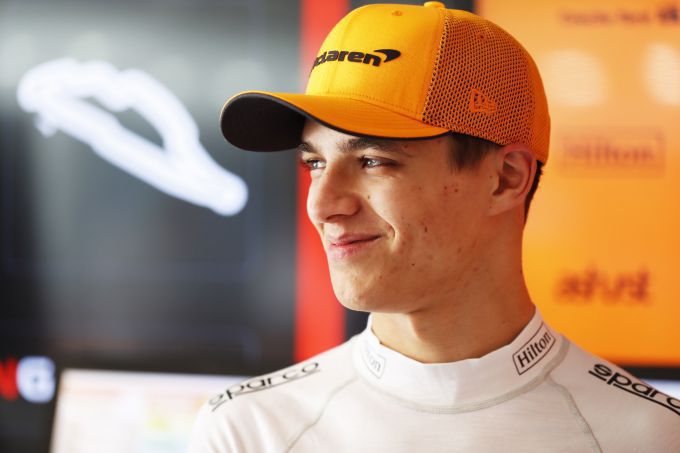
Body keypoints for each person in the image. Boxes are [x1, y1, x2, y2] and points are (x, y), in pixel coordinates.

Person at [190, 2, 680, 451]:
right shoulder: (248, 431)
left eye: (373, 161)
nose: (321, 205)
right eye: (314, 163)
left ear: (506, 179)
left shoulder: (651, 438)